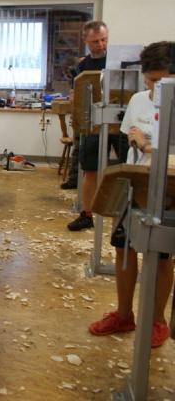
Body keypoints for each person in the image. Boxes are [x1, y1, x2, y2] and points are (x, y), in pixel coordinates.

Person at [87, 41, 175, 348]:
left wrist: (147, 146)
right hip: (134, 184)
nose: (155, 86)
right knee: (123, 249)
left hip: (166, 189)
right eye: (151, 79)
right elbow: (129, 141)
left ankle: (157, 320)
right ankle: (124, 314)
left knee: (160, 256)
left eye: (163, 80)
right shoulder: (138, 100)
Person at [67, 20, 128, 230]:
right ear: (85, 40)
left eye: (104, 40)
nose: (101, 45)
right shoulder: (81, 68)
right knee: (90, 169)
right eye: (95, 42)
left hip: (120, 123)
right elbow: (75, 95)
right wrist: (74, 97)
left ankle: (127, 216)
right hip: (93, 125)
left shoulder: (120, 62)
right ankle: (86, 214)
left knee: (128, 167)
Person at [59, 55, 81, 189]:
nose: (69, 80)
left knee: (79, 147)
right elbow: (72, 96)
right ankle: (74, 178)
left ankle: (75, 178)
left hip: (90, 115)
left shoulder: (81, 70)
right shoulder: (76, 75)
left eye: (69, 76)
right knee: (78, 146)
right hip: (80, 113)